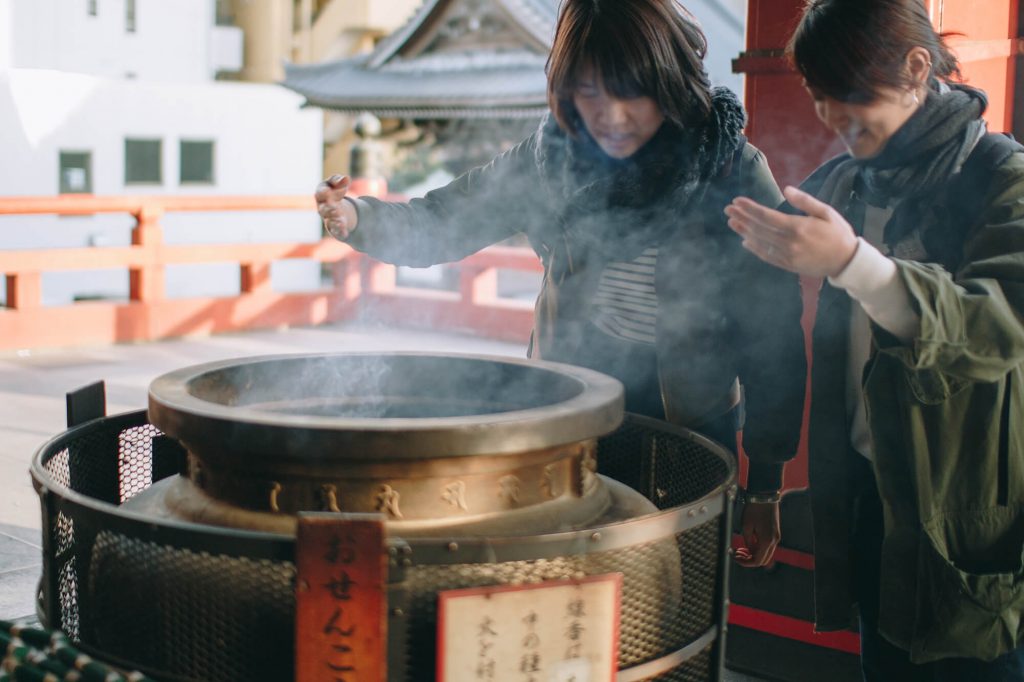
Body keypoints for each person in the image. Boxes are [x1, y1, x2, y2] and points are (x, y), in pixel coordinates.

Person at [316, 0, 806, 565]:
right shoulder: (548, 161)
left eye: (631, 93)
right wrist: (357, 218)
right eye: (590, 92)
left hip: (689, 430)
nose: (611, 116)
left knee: (677, 595)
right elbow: (442, 220)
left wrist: (765, 484)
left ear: (669, 82)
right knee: (566, 585)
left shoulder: (729, 168)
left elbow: (773, 338)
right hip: (570, 414)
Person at [724, 0, 1024, 679]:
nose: (831, 117)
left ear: (918, 67)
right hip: (866, 498)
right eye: (820, 96)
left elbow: (999, 327)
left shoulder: (1001, 177)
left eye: (850, 94)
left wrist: (849, 262)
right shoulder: (847, 184)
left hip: (962, 509)